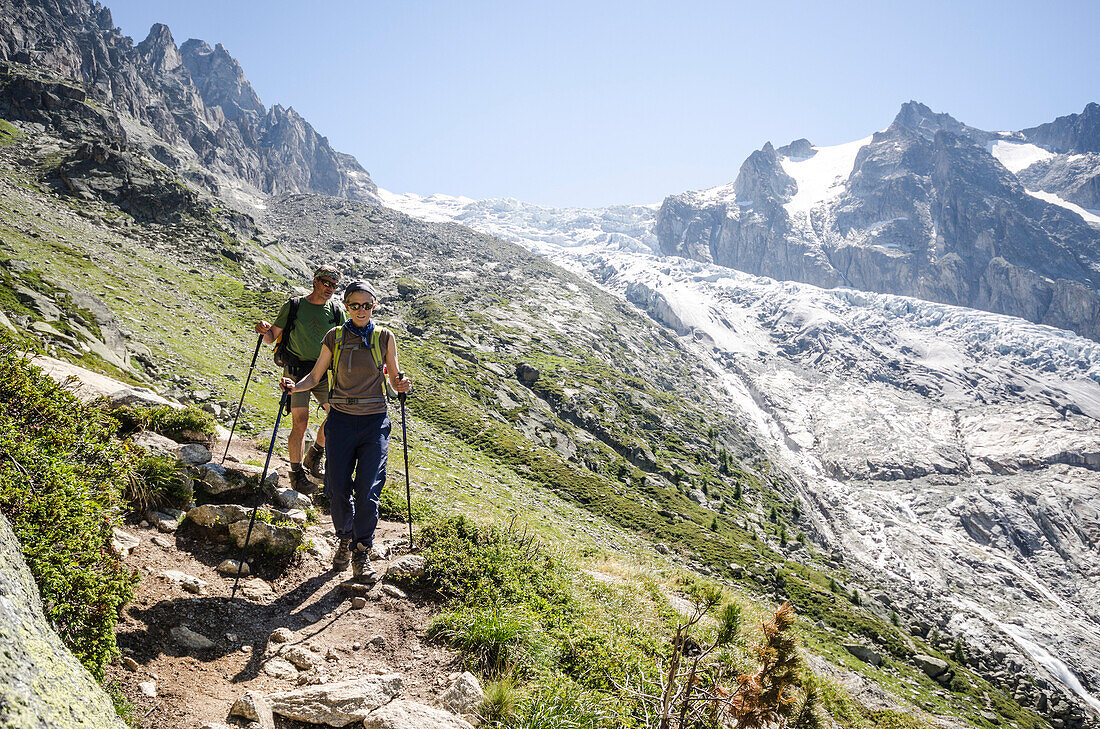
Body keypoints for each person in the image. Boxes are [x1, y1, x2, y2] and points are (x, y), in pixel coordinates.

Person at [281, 280, 411, 582]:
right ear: (347, 306)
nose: (361, 310)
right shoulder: (335, 337)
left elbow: (393, 380)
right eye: (355, 305)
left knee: (368, 491)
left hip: (374, 422)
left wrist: (403, 385)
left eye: (367, 305)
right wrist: (293, 388)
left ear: (374, 306)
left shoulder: (384, 337)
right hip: (340, 420)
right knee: (337, 488)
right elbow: (315, 375)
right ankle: (344, 537)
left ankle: (361, 550)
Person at [255, 265, 346, 493]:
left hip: (323, 373)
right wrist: (263, 330)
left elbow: (344, 342)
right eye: (327, 283)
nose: (330, 289)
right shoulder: (294, 306)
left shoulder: (336, 311)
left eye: (334, 285)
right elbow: (271, 337)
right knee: (301, 422)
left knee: (338, 417)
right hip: (295, 372)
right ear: (315, 281)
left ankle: (314, 456)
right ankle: (296, 475)